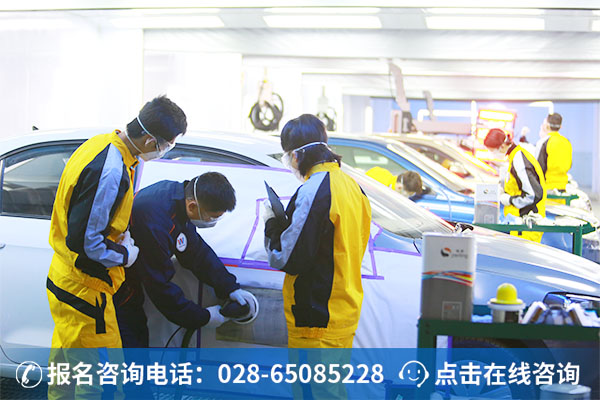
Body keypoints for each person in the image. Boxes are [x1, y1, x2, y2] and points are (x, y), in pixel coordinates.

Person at [46, 95, 186, 398]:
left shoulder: (102, 144)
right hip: (86, 290)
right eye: (167, 146)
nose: (165, 151)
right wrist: (126, 254)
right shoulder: (111, 170)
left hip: (65, 279)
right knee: (100, 383)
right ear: (150, 140)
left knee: (65, 373)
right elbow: (86, 244)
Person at [263, 114, 372, 349]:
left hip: (315, 320)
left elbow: (287, 258)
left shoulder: (314, 191)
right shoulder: (353, 188)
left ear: (296, 155)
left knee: (311, 376)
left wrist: (271, 224)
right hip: (343, 312)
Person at [115, 172, 256, 347]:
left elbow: (196, 252)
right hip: (118, 288)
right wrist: (203, 317)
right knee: (130, 347)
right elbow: (159, 286)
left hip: (133, 279)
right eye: (212, 217)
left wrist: (229, 287)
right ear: (192, 206)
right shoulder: (154, 221)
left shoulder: (179, 200)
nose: (213, 221)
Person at [484, 128, 547, 243]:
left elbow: (534, 194)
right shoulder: (514, 156)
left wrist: (510, 200)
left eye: (493, 151)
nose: (492, 154)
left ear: (502, 146)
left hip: (526, 226)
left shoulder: (519, 159)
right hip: (519, 224)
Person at [535, 113, 572, 196]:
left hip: (547, 188)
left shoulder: (544, 142)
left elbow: (538, 167)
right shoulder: (567, 142)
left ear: (546, 126)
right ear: (560, 127)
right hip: (563, 187)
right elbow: (570, 164)